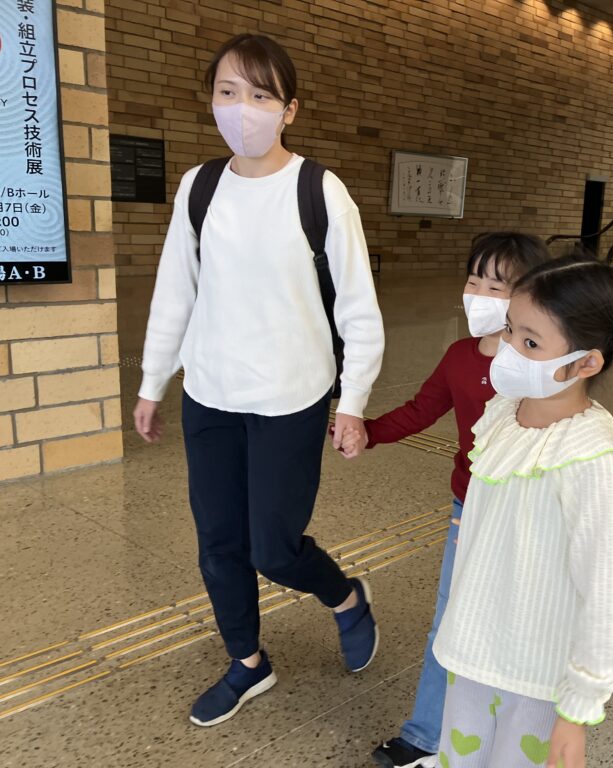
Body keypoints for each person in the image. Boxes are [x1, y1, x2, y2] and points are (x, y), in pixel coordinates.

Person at [133, 34, 385, 727]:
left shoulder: (319, 190)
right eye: (228, 91)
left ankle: (346, 597)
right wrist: (153, 382)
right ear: (211, 100)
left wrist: (353, 403)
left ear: (289, 109)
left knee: (274, 547)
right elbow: (175, 292)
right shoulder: (199, 186)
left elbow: (358, 307)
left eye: (260, 94)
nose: (242, 107)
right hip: (209, 394)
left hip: (290, 397)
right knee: (219, 544)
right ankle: (247, 662)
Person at [430, 256, 613, 768]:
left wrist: (579, 707)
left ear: (586, 363)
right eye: (510, 330)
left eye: (531, 343)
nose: (509, 349)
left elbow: (609, 591)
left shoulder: (591, 457)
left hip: (537, 678)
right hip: (473, 650)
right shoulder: (503, 411)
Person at [365, 232, 548, 768]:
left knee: (518, 626)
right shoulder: (459, 356)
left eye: (497, 286)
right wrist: (366, 432)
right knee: (448, 620)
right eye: (474, 281)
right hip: (469, 508)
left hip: (528, 515)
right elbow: (420, 410)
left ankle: (505, 734)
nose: (480, 295)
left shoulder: (537, 365)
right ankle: (425, 734)